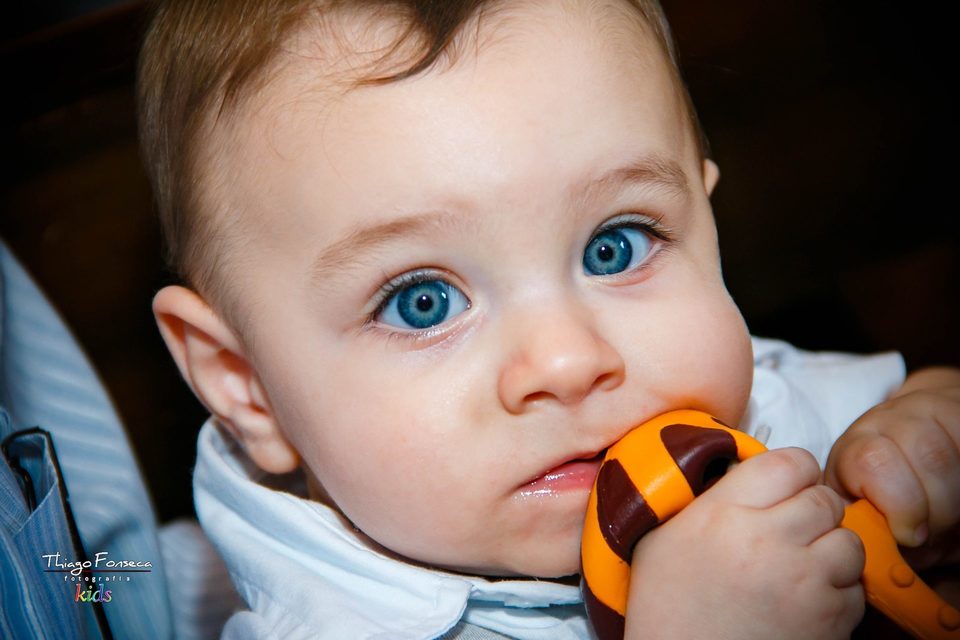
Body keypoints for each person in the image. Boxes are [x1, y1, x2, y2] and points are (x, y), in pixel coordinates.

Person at [136, 0, 960, 637]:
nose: (569, 361)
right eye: (423, 303)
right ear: (245, 385)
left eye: (616, 247)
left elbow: (894, 416)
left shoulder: (757, 421)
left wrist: (924, 436)